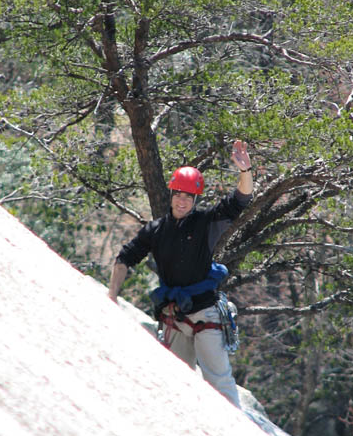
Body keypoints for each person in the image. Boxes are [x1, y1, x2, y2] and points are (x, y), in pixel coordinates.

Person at [108, 140, 253, 408]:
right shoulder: (155, 230)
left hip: (205, 313)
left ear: (195, 200)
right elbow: (125, 257)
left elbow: (240, 201)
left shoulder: (206, 223)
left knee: (219, 381)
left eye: (188, 196)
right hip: (175, 315)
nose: (182, 200)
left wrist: (245, 172)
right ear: (171, 194)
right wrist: (112, 297)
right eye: (178, 194)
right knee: (176, 382)